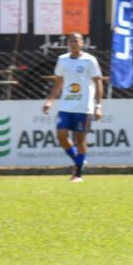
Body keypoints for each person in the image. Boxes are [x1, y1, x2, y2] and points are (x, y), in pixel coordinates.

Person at [42, 32, 104, 182]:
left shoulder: (90, 60)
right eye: (71, 41)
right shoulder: (62, 60)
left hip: (84, 106)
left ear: (82, 43)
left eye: (76, 41)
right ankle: (79, 159)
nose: (73, 43)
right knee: (61, 135)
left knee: (80, 139)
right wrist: (50, 100)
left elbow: (98, 82)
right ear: (67, 43)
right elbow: (58, 82)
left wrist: (98, 106)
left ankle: (78, 173)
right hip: (66, 105)